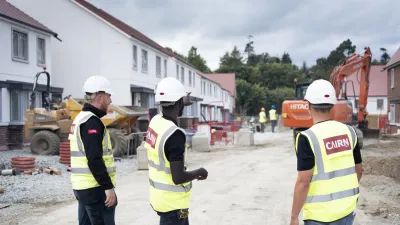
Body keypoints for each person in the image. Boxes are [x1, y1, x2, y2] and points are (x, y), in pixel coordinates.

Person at [290, 79, 363, 225]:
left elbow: (303, 182)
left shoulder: (307, 138)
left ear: (308, 105)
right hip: (346, 211)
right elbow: (358, 170)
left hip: (319, 216)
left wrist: (294, 216)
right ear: (332, 105)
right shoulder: (350, 132)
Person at [145, 77, 208, 225]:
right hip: (174, 205)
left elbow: (167, 111)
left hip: (160, 198)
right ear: (179, 103)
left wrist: (179, 100)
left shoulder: (155, 122)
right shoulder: (175, 135)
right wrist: (199, 172)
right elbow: (178, 177)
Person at [69, 76, 117, 225]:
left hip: (83, 187)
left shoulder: (81, 118)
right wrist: (108, 187)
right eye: (109, 96)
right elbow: (94, 159)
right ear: (100, 97)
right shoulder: (91, 122)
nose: (110, 100)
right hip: (95, 188)